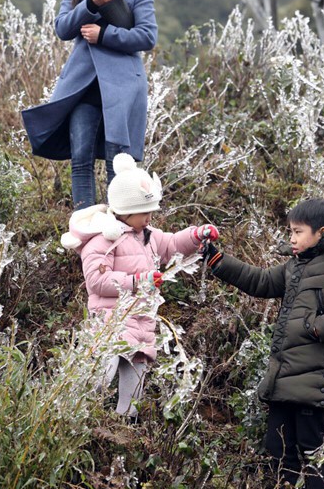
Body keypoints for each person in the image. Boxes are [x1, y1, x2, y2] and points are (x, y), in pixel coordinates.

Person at [201, 199, 324, 488]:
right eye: (290, 232)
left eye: (297, 232)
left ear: (321, 232)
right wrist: (217, 261)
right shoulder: (296, 265)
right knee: (278, 450)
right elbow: (260, 281)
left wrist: (318, 328)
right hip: (282, 380)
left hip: (313, 381)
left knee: (313, 453)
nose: (291, 238)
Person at [60, 153, 219, 417]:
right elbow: (97, 282)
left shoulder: (148, 236)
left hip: (142, 321)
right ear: (125, 211)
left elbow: (172, 245)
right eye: (144, 213)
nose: (149, 218)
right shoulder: (102, 240)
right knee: (99, 380)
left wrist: (195, 235)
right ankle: (73, 419)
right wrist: (138, 282)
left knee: (134, 393)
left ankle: (123, 434)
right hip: (111, 321)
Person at [22, 0, 158, 209]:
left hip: (121, 89)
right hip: (83, 88)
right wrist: (92, 3)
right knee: (80, 159)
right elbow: (62, 28)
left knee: (118, 164)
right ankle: (86, 228)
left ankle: (120, 227)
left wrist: (104, 35)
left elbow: (147, 37)